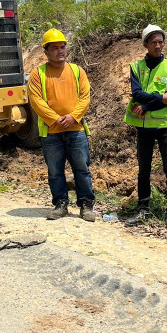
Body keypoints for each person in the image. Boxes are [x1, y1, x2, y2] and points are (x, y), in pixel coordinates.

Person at [28, 29, 96, 222]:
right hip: (51, 132)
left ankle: (86, 205)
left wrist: (73, 117)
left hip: (76, 130)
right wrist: (55, 119)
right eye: (55, 48)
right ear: (46, 52)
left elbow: (85, 96)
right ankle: (61, 204)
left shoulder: (77, 71)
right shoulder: (37, 74)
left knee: (82, 168)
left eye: (63, 47)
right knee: (55, 170)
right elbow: (36, 101)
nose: (60, 51)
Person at [123, 24, 167, 227]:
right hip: (144, 128)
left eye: (161, 41)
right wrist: (159, 99)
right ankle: (143, 209)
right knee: (143, 170)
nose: (158, 45)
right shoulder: (136, 67)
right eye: (154, 42)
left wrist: (147, 106)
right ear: (146, 44)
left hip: (166, 127)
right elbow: (136, 93)